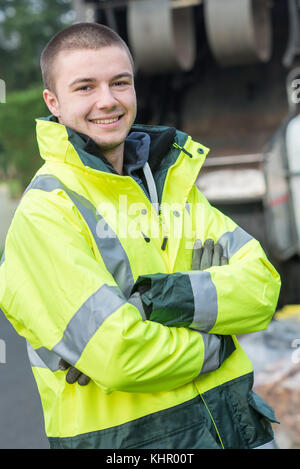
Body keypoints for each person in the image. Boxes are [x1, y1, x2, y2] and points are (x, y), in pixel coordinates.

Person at [0, 22, 281, 449]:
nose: (107, 101)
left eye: (120, 83)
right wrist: (218, 342)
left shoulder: (171, 187)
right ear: (52, 102)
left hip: (234, 426)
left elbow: (261, 287)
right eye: (85, 88)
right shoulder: (46, 213)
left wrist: (156, 300)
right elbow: (121, 355)